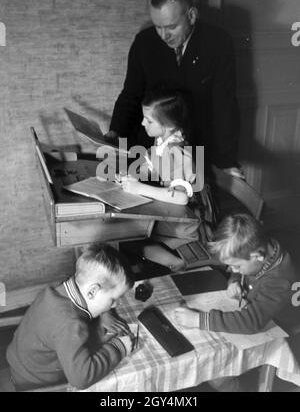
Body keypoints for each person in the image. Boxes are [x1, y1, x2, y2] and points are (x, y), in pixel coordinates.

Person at [106, 0, 244, 180]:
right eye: (157, 27)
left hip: (198, 153)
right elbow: (131, 95)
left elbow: (225, 105)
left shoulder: (218, 44)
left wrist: (225, 160)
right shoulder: (144, 43)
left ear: (191, 16)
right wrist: (115, 133)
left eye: (171, 27)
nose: (164, 35)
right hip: (150, 151)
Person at [174, 213, 300, 391]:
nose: (232, 269)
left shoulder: (279, 280)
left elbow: (251, 323)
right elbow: (246, 267)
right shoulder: (261, 246)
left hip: (281, 327)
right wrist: (235, 278)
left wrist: (199, 320)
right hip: (257, 306)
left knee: (216, 370)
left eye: (237, 266)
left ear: (257, 256)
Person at [6, 244, 136, 391]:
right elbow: (81, 378)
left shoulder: (61, 288)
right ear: (92, 292)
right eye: (113, 299)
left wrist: (104, 314)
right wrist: (119, 348)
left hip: (21, 362)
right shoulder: (70, 325)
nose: (115, 305)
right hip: (36, 382)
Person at [119, 88, 215, 272]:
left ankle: (174, 262)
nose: (142, 123)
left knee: (129, 241)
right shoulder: (162, 139)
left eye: (149, 120)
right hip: (170, 216)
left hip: (183, 227)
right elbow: (152, 166)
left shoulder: (177, 151)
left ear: (168, 125)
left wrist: (139, 188)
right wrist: (133, 175)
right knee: (128, 237)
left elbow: (181, 198)